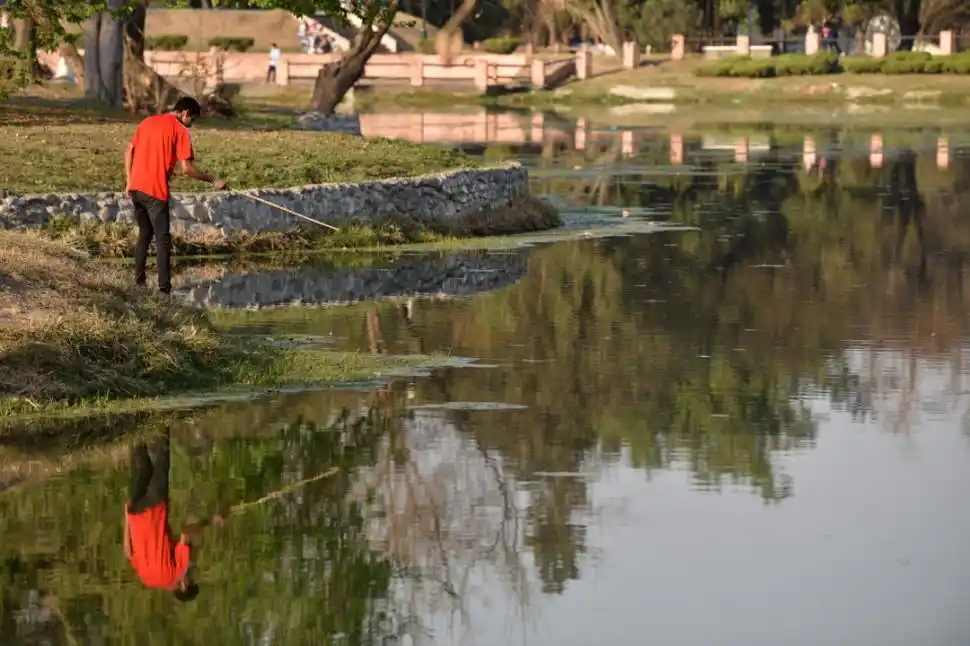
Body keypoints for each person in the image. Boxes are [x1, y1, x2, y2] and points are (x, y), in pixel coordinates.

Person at [124, 96, 228, 295]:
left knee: (145, 235)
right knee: (163, 241)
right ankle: (165, 290)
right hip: (155, 192)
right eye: (193, 119)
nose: (192, 124)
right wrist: (213, 180)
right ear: (185, 113)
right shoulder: (181, 131)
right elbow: (187, 169)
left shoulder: (148, 121)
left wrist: (129, 180)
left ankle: (139, 284)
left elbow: (129, 150)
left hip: (136, 188)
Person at [124, 429, 199, 600]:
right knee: (144, 468)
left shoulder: (178, 572)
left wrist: (208, 523)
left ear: (183, 585)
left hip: (154, 509)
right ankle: (132, 425)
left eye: (191, 577)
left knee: (162, 462)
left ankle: (162, 420)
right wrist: (127, 516)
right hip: (135, 513)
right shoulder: (147, 580)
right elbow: (128, 552)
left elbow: (186, 533)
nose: (190, 573)